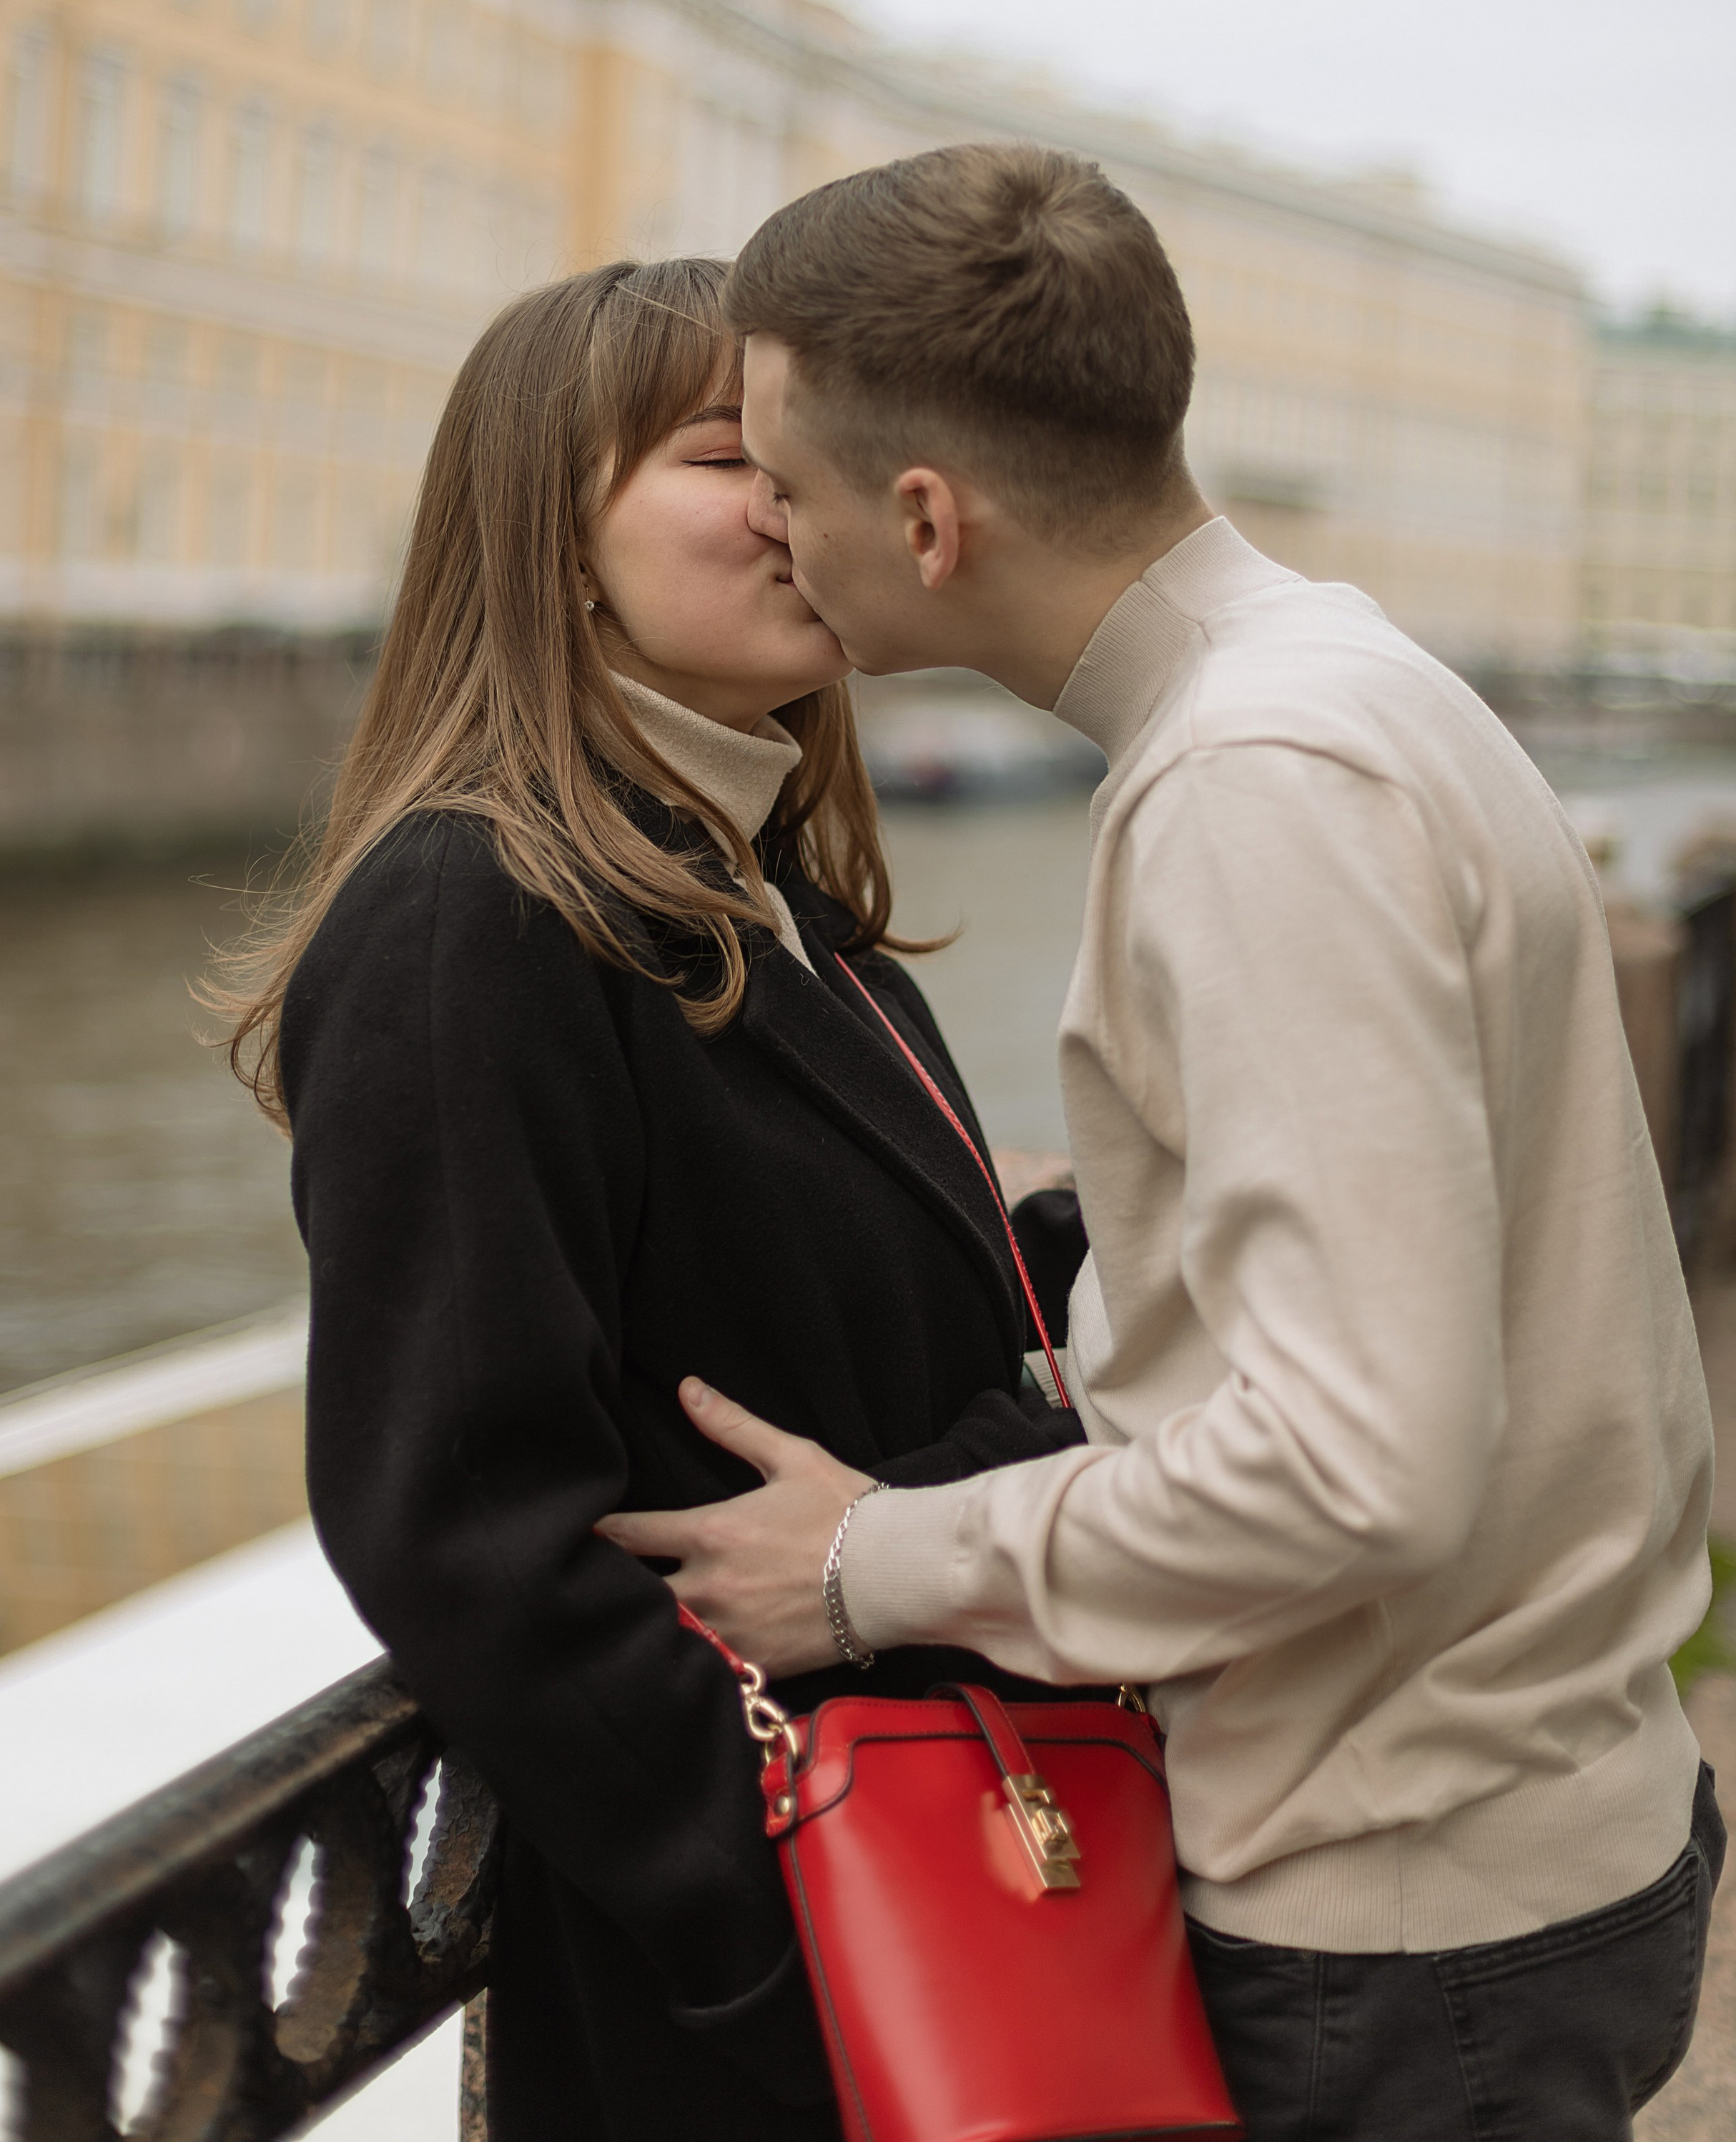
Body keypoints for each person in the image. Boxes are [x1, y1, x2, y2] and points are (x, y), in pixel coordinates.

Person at [598, 149, 1725, 2141]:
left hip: (1399, 1911)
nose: (768, 522)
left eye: (783, 476)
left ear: (925, 520)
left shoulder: (1251, 788)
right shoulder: (1349, 682)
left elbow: (1355, 1465)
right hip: (1524, 1837)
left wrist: (867, 1564)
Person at [213, 255, 1082, 2142]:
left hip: (958, 1861)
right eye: (729, 456)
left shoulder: (785, 904)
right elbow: (465, 1529)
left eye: (814, 458)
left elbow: (867, 1334)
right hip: (782, 1984)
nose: (802, 504)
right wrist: (771, 1917)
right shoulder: (471, 914)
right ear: (553, 529)